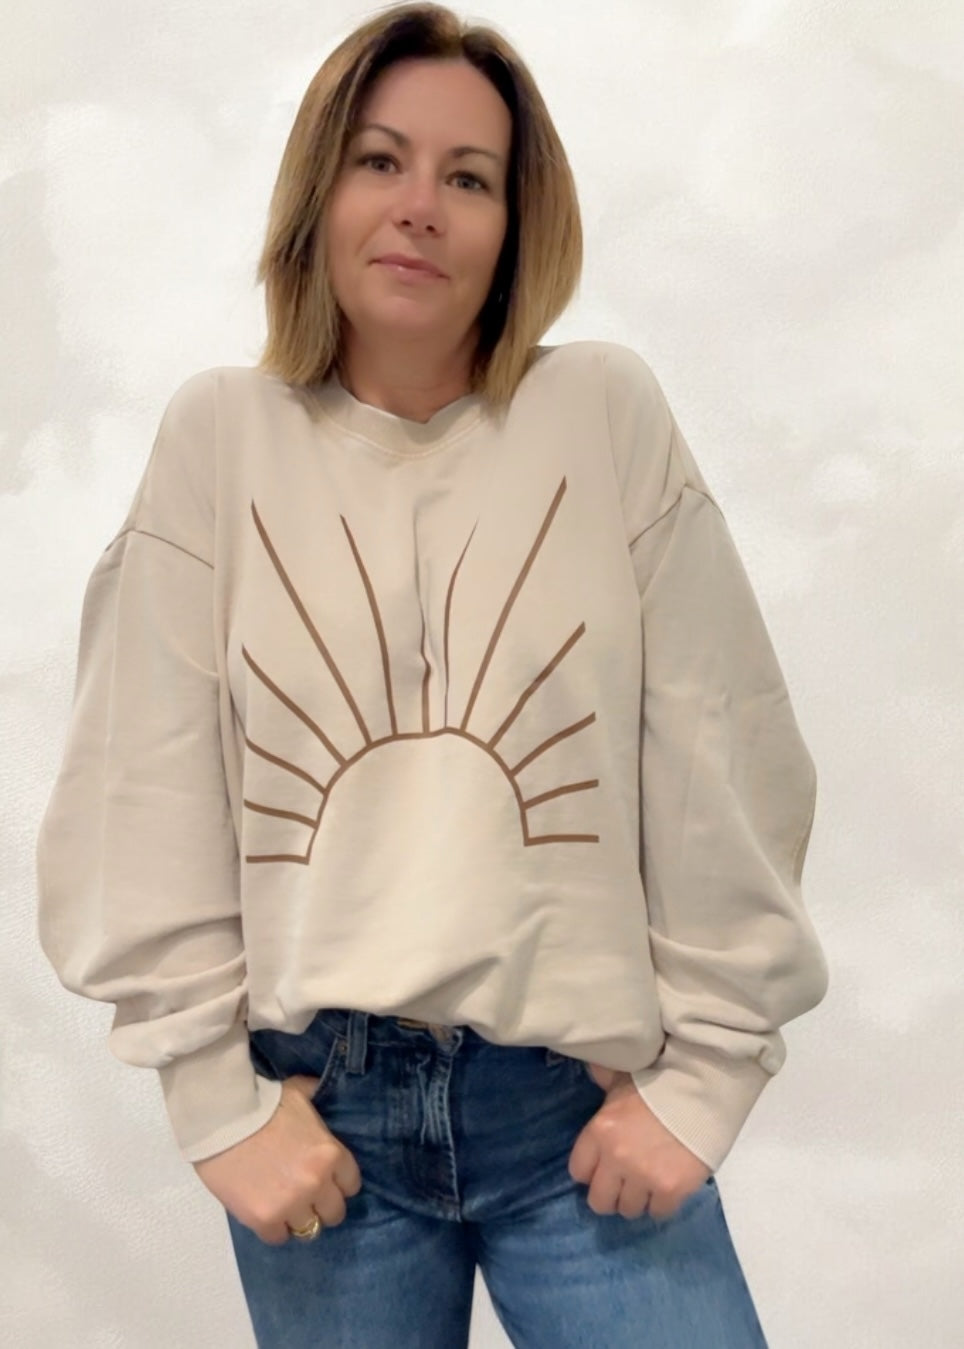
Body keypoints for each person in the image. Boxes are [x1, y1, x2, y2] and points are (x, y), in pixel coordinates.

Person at [35, 4, 829, 1346]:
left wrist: (709, 1072)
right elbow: (143, 775)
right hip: (321, 1123)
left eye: (469, 178)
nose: (420, 207)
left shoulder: (603, 414)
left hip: (574, 1106)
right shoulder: (220, 437)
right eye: (381, 160)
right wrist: (213, 1104)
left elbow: (724, 744)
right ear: (319, 193)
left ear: (517, 224)